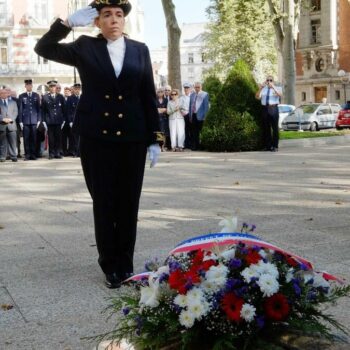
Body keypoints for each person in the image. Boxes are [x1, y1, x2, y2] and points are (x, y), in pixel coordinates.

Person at [35, 0, 161, 289]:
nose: (114, 19)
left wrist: (155, 137)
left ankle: (126, 265)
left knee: (129, 203)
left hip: (132, 138)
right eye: (107, 15)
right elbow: (43, 48)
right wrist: (65, 24)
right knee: (104, 202)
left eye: (119, 14)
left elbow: (148, 96)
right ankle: (110, 266)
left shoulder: (140, 50)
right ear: (97, 22)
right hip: (96, 137)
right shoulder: (85, 46)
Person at [255, 75, 283, 152]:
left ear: (273, 81)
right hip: (265, 108)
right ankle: (268, 146)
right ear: (266, 81)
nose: (269, 82)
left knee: (274, 128)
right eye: (267, 80)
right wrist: (260, 88)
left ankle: (275, 146)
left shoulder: (278, 88)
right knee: (266, 128)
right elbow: (257, 97)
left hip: (273, 108)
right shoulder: (263, 89)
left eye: (270, 80)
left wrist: (273, 87)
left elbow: (280, 95)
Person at [41, 80, 66, 159]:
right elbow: (43, 110)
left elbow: (64, 109)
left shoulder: (60, 97)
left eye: (54, 86)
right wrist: (44, 121)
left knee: (58, 138)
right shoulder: (45, 97)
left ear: (56, 87)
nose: (52, 88)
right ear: (49, 88)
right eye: (51, 87)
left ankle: (57, 153)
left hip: (58, 121)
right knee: (51, 139)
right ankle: (51, 153)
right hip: (49, 121)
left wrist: (64, 120)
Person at [18, 79, 42, 160]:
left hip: (34, 121)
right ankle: (27, 155)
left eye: (30, 85)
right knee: (26, 138)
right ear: (25, 86)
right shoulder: (22, 96)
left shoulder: (36, 95)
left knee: (34, 138)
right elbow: (20, 109)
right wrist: (20, 121)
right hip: (25, 121)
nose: (29, 86)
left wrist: (39, 120)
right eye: (27, 85)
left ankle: (33, 154)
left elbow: (39, 109)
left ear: (32, 86)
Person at [188, 82, 209, 150]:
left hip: (201, 116)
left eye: (198, 87)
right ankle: (195, 146)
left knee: (201, 131)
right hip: (193, 115)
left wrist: (206, 116)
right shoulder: (192, 95)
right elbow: (190, 106)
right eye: (196, 87)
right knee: (194, 132)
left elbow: (206, 107)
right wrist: (190, 116)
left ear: (201, 87)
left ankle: (201, 146)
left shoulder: (205, 94)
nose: (197, 88)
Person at [0, 86, 18, 162]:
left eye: (5, 93)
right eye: (2, 93)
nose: (4, 94)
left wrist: (11, 119)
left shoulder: (13, 102)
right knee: (2, 143)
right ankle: (2, 156)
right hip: (2, 125)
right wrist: (2, 119)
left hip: (11, 124)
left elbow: (15, 112)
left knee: (13, 142)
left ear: (7, 94)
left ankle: (13, 156)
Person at [179, 82, 192, 149]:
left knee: (191, 130)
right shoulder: (182, 98)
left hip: (192, 115)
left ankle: (192, 143)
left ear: (190, 89)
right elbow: (179, 107)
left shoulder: (192, 96)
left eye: (187, 88)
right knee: (186, 130)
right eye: (185, 88)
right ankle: (187, 144)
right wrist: (182, 112)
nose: (186, 89)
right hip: (185, 115)